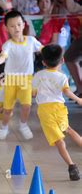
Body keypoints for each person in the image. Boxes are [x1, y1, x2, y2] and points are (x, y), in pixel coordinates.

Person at [0, 10, 42, 141]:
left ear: (24, 24)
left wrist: (54, 55)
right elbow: (3, 56)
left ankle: (23, 125)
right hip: (11, 80)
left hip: (26, 79)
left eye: (18, 24)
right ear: (6, 28)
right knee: (7, 109)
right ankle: (4, 127)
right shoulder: (8, 45)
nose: (16, 28)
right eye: (12, 26)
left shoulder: (31, 40)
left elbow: (43, 49)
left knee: (26, 105)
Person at [32, 44, 82, 180]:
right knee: (69, 130)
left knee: (59, 142)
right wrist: (78, 99)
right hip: (58, 108)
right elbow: (66, 91)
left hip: (45, 111)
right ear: (62, 61)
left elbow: (33, 93)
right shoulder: (62, 76)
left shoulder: (38, 75)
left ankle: (72, 167)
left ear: (43, 62)